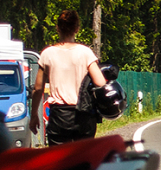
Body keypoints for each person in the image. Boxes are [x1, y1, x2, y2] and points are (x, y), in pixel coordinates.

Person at [30, 9, 106, 146]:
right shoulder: (85, 53)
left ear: (57, 28)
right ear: (77, 29)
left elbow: (37, 89)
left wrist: (34, 114)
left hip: (59, 116)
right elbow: (100, 82)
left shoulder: (47, 54)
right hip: (83, 115)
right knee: (84, 159)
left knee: (59, 161)